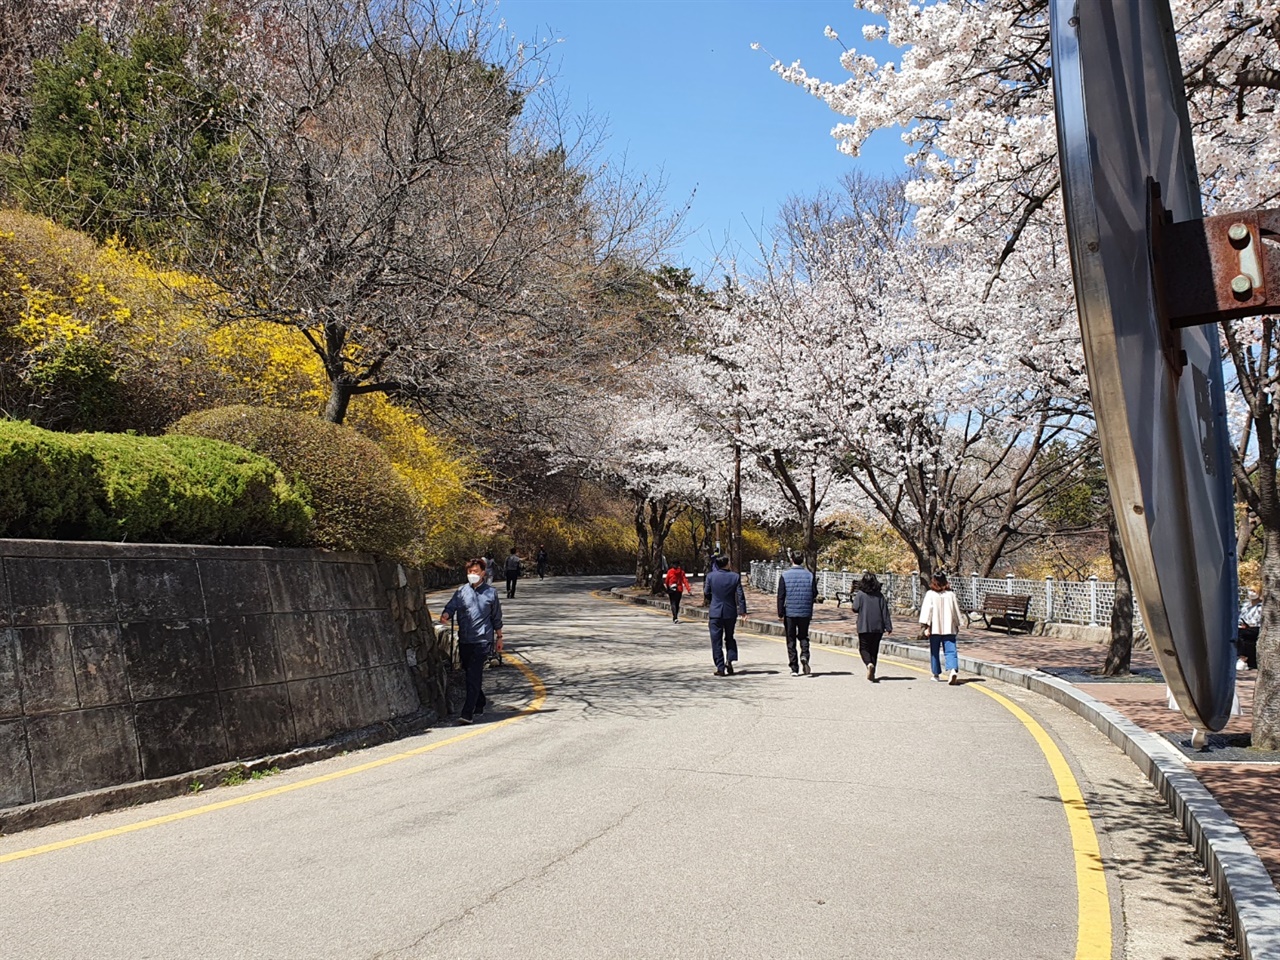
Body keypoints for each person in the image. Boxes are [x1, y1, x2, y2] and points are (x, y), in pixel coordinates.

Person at [440, 558, 503, 724]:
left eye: (475, 571)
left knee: (474, 674)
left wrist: (499, 637)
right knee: (469, 674)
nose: (472, 575)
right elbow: (451, 606)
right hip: (465, 639)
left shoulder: (491, 593)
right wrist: (446, 614)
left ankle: (467, 713)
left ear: (483, 573)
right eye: (470, 572)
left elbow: (496, 617)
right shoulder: (461, 592)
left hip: (482, 640)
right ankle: (480, 701)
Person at [776, 550, 818, 677]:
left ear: (791, 560)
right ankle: (804, 655)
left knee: (791, 639)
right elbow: (814, 593)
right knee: (804, 636)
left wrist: (780, 612)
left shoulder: (785, 575)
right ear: (803, 560)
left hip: (790, 612)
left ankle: (794, 667)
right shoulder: (810, 575)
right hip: (805, 612)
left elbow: (781, 596)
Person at [704, 555, 747, 677]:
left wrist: (714, 600)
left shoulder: (711, 576)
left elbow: (706, 592)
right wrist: (743, 611)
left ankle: (720, 667)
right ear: (727, 563)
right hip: (730, 611)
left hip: (715, 612)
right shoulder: (735, 577)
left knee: (716, 641)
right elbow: (740, 595)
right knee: (729, 637)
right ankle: (730, 659)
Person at [919, 572, 964, 684]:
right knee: (950, 650)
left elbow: (927, 612)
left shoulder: (930, 594)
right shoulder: (951, 595)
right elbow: (955, 611)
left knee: (935, 651)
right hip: (949, 627)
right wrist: (957, 624)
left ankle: (936, 673)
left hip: (935, 628)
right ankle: (953, 669)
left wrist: (926, 626)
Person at [852, 573, 893, 682]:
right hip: (878, 627)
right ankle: (873, 670)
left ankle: (869, 664)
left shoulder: (860, 594)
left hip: (864, 626)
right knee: (874, 649)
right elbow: (885, 612)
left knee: (864, 648)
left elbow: (855, 608)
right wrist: (888, 626)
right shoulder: (879, 595)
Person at [1238, 589, 1262, 670]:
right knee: (1241, 635)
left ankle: (1242, 658)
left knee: (1241, 634)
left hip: (1258, 628)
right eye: (1250, 590)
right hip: (1246, 628)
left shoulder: (1262, 606)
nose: (1251, 592)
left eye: (1254, 590)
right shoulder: (1245, 606)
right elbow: (1241, 618)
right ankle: (1247, 660)